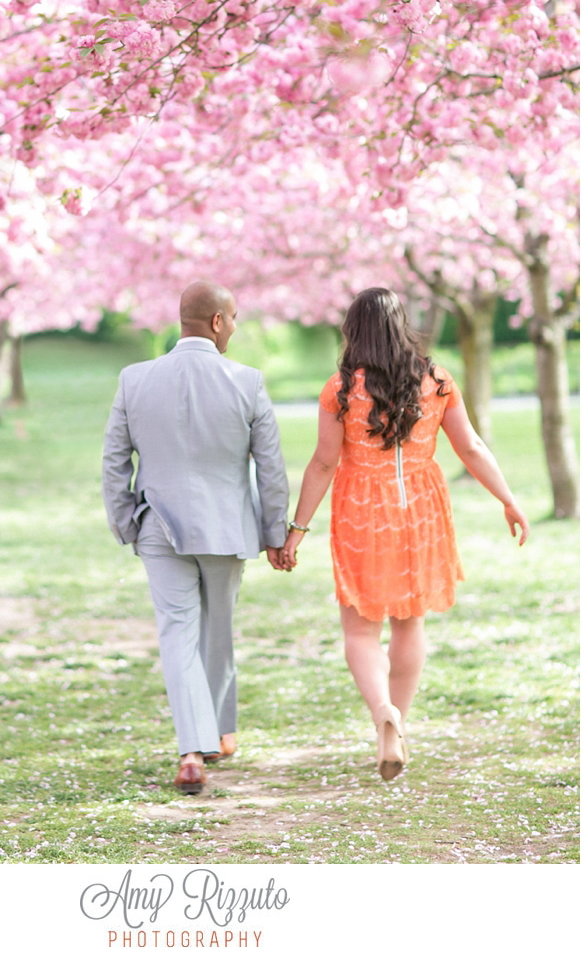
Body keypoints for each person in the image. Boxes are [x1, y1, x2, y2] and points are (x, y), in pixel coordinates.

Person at [282, 287, 529, 781]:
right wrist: (508, 498)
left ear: (353, 330)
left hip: (360, 512)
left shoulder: (340, 389)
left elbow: (324, 462)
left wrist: (296, 530)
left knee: (359, 629)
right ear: (402, 326)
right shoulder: (437, 380)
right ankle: (398, 723)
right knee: (410, 624)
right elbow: (471, 447)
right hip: (420, 510)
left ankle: (382, 716)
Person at [102, 280, 290, 794]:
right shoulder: (248, 382)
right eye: (233, 319)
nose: (234, 328)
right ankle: (215, 737)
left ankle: (197, 747)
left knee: (178, 634)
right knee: (217, 632)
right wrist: (276, 533)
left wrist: (126, 522)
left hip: (158, 525)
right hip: (227, 528)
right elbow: (270, 469)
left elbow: (114, 461)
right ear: (216, 321)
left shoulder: (133, 380)